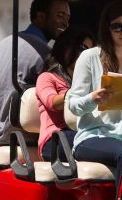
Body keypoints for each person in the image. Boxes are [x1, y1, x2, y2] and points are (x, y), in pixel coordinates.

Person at [0, 0, 70, 147]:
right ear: (41, 17)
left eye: (67, 18)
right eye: (60, 15)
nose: (65, 23)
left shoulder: (6, 42)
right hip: (7, 135)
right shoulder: (46, 54)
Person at [67, 0, 122, 190]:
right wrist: (93, 98)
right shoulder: (89, 57)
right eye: (117, 27)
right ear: (107, 28)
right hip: (93, 137)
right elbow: (73, 104)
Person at [35, 26, 95, 161]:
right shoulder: (47, 77)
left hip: (83, 133)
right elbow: (52, 102)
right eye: (83, 48)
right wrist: (80, 93)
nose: (87, 55)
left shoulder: (90, 81)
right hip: (56, 140)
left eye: (91, 51)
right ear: (66, 47)